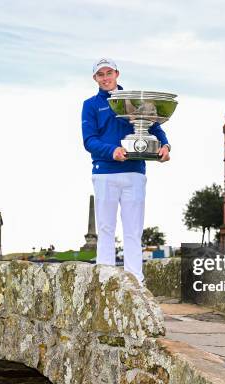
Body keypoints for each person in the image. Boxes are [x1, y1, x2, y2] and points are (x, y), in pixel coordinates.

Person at [81, 58, 171, 284]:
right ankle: (105, 282)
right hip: (104, 173)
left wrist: (166, 146)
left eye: (108, 72)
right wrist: (113, 151)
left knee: (133, 231)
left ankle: (135, 283)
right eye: (100, 74)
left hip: (135, 172)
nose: (105, 78)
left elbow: (155, 126)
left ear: (117, 74)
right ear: (95, 78)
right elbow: (89, 141)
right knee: (105, 229)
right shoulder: (91, 105)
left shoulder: (134, 100)